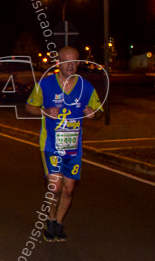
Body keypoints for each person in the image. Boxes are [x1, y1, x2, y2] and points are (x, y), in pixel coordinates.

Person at [25, 46, 102, 241]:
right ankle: (50, 220)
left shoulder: (86, 87)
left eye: (74, 61)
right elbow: (29, 106)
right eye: (66, 61)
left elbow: (99, 111)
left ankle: (59, 223)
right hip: (51, 144)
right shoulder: (45, 84)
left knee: (68, 189)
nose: (70, 65)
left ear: (79, 63)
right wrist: (44, 110)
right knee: (55, 187)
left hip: (74, 148)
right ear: (58, 63)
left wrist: (94, 114)